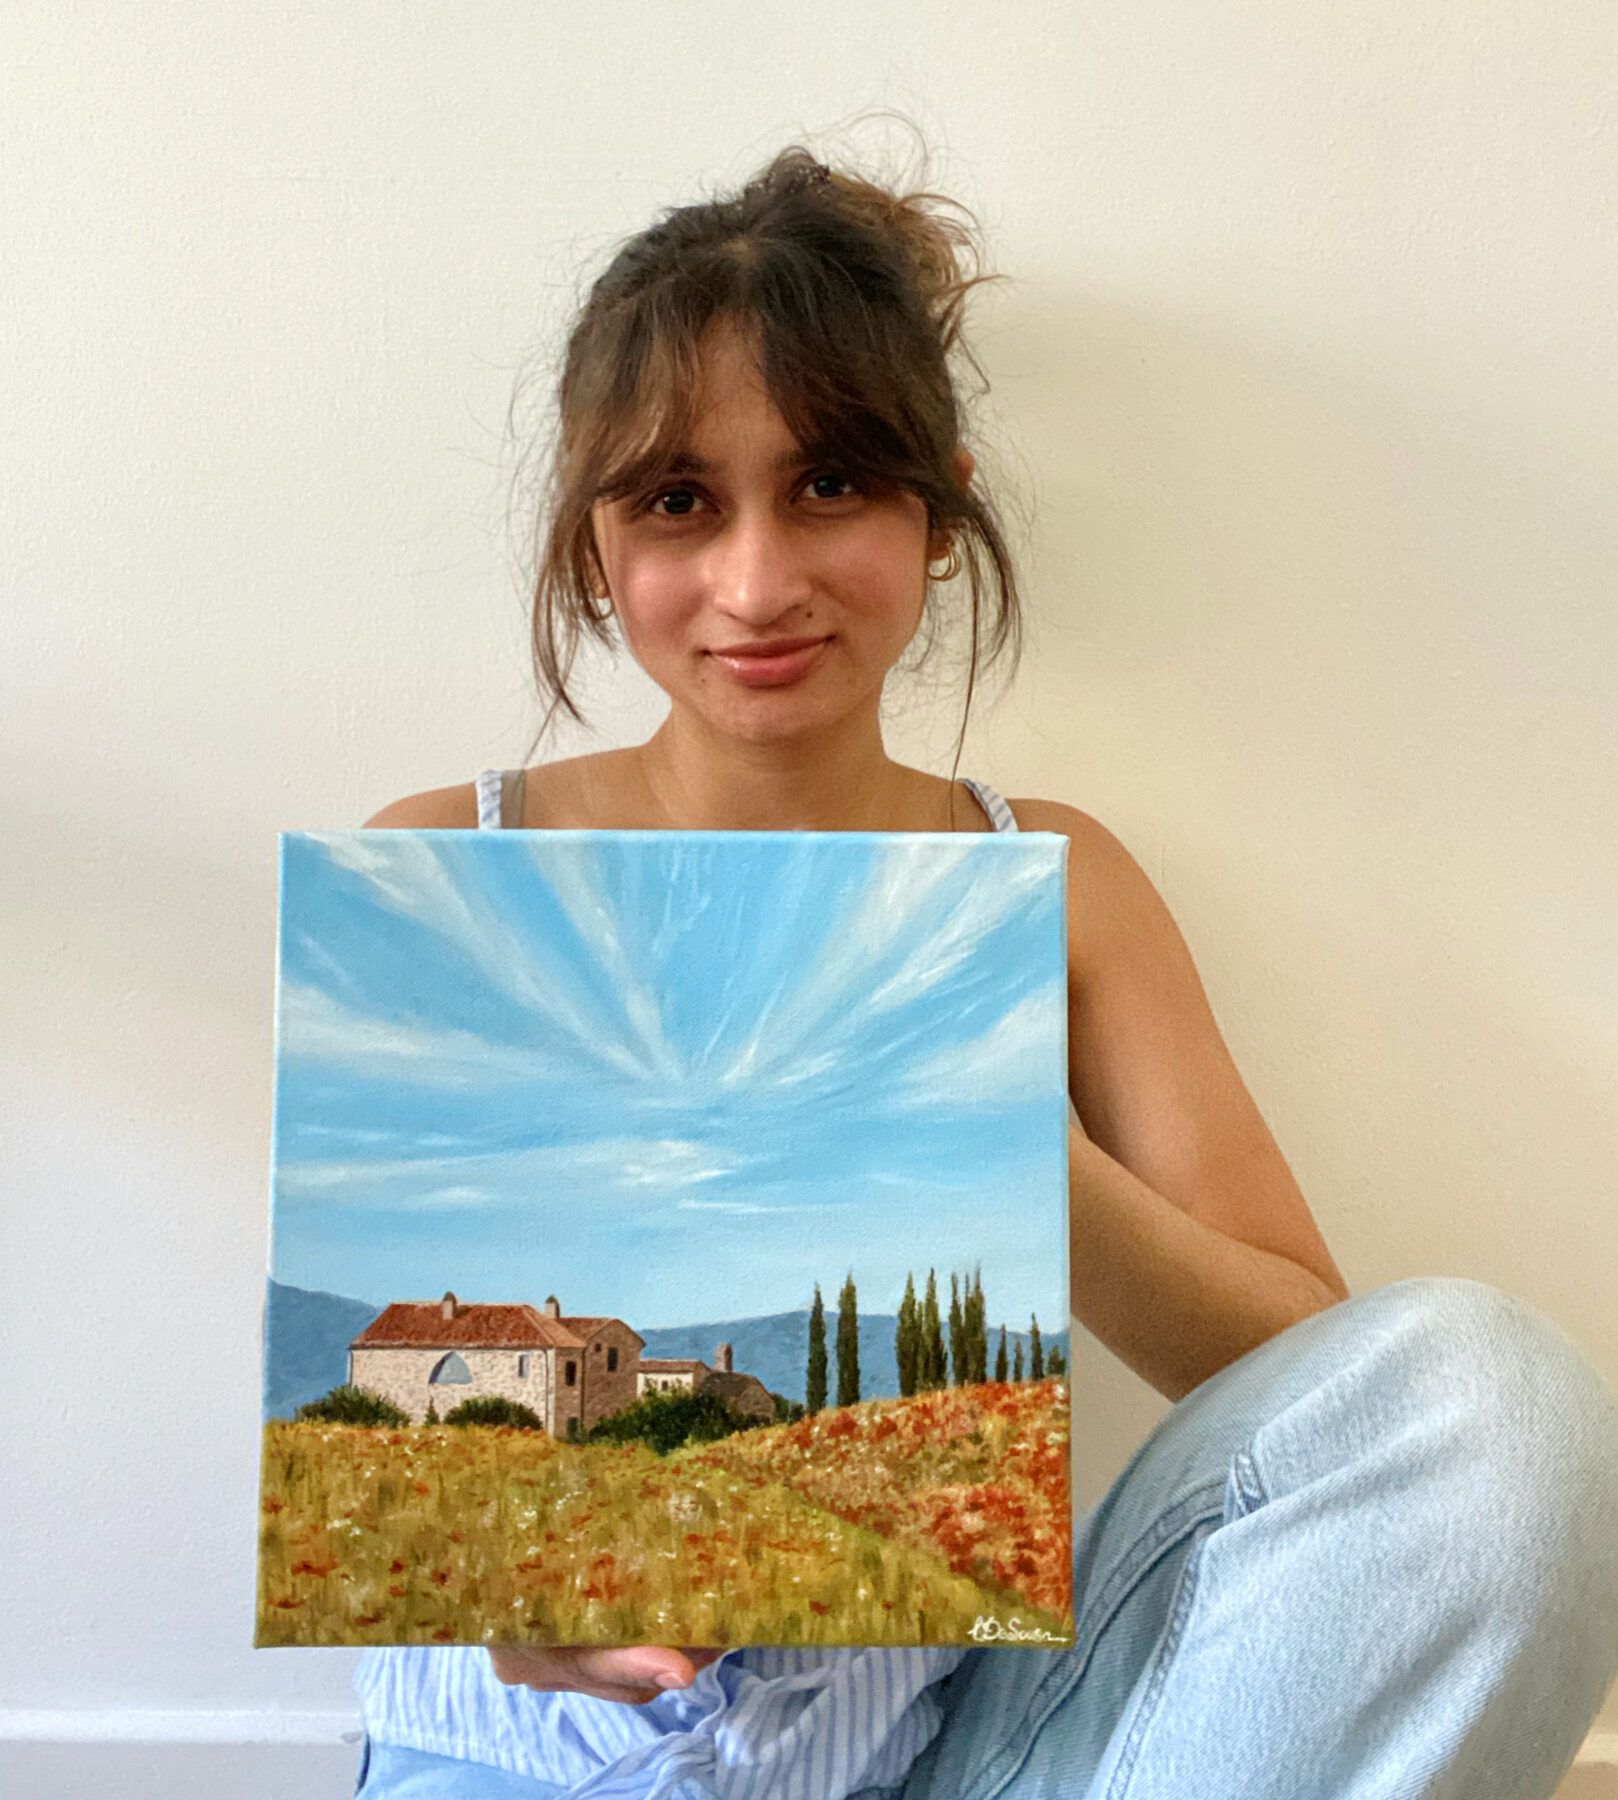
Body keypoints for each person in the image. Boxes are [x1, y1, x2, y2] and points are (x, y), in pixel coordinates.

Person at [351, 148, 1618, 1799]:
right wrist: (495, 1602)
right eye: (677, 501)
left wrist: (1013, 1161)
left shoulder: (1057, 877)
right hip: (523, 1758)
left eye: (829, 487)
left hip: (955, 1756)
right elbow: (388, 1374)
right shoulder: (456, 863)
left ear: (936, 509)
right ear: (593, 545)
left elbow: (1316, 1384)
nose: (754, 580)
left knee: (1487, 1396)